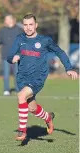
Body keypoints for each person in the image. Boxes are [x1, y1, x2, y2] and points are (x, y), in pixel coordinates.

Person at [7, 13, 78, 141]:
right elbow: (9, 56)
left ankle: (22, 131)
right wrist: (13, 58)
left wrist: (69, 68)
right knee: (32, 108)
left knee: (21, 96)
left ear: (36, 25)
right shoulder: (19, 39)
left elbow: (59, 52)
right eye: (25, 25)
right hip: (22, 78)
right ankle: (48, 117)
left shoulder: (44, 40)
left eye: (31, 25)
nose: (28, 28)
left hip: (38, 78)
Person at [0, 14, 23, 96]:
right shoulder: (2, 30)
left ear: (12, 20)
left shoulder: (19, 30)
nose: (6, 21)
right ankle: (6, 90)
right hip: (6, 56)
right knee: (6, 74)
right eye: (5, 19)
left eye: (7, 19)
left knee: (17, 74)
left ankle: (18, 89)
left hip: (16, 56)